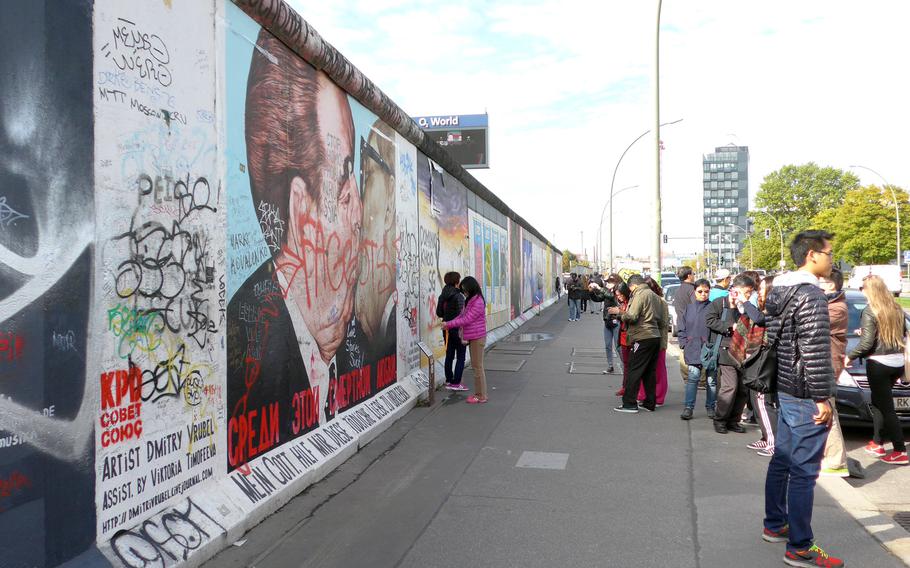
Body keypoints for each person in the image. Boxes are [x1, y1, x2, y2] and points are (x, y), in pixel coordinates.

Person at [762, 230, 844, 568]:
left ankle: (774, 524)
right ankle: (799, 547)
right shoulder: (810, 294)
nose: (831, 259)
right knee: (804, 470)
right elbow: (813, 349)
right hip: (806, 392)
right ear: (812, 255)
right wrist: (822, 396)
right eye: (828, 252)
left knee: (783, 458)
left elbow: (776, 340)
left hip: (785, 386)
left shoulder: (779, 289)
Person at [846, 274, 908, 465]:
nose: (861, 291)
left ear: (869, 290)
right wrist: (865, 332)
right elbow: (902, 334)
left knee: (887, 408)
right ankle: (877, 442)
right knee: (879, 403)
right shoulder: (895, 308)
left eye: (862, 288)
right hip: (897, 363)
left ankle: (899, 450)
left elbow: (866, 344)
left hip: (879, 364)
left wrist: (849, 357)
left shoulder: (870, 310)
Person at [726, 274, 778, 456]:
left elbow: (759, 319)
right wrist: (737, 304)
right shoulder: (758, 304)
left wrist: (745, 302)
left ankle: (773, 443)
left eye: (760, 289)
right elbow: (746, 319)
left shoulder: (773, 307)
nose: (757, 292)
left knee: (764, 402)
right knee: (756, 401)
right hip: (757, 358)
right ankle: (766, 438)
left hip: (766, 359)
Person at [609, 274, 664, 413]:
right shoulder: (654, 296)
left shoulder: (640, 294)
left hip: (642, 336)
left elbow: (632, 316)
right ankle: (649, 403)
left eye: (630, 289)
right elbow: (661, 319)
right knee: (648, 372)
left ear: (633, 285)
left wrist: (619, 312)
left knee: (634, 369)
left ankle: (629, 403)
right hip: (654, 336)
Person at [818, 269, 853, 476]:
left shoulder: (836, 307)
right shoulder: (830, 303)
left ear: (832, 285)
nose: (818, 285)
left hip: (828, 363)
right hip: (824, 362)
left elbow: (816, 323)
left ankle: (836, 461)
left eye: (822, 282)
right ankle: (828, 457)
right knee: (823, 409)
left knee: (828, 409)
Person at [705, 276, 749, 434]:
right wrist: (730, 326)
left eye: (748, 293)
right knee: (730, 386)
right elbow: (709, 321)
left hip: (742, 351)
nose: (744, 296)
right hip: (725, 350)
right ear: (732, 290)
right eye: (742, 292)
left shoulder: (744, 306)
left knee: (743, 389)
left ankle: (734, 420)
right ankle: (720, 419)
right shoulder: (718, 303)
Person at [442, 276, 488, 404]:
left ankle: (481, 396)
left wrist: (449, 324)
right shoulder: (472, 300)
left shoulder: (477, 301)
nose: (464, 292)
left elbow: (467, 319)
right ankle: (480, 394)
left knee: (477, 367)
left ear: (471, 288)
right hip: (474, 336)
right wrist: (449, 323)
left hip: (477, 337)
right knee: (476, 366)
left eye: (465, 290)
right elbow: (462, 316)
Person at [678, 279, 717, 420]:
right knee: (692, 379)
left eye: (706, 291)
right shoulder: (689, 308)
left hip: (710, 349)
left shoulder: (713, 307)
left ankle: (711, 407)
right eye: (700, 291)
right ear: (694, 292)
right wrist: (683, 342)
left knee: (711, 381)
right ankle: (688, 407)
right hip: (692, 348)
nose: (703, 294)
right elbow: (681, 326)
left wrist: (714, 346)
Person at [638, 277, 669, 407]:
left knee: (658, 370)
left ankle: (658, 397)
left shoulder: (661, 302)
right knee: (645, 369)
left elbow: (664, 323)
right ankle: (644, 395)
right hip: (647, 338)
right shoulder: (643, 300)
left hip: (658, 340)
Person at [436, 271, 467, 392]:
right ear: (456, 282)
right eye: (459, 280)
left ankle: (449, 379)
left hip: (446, 329)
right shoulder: (459, 296)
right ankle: (456, 382)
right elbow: (462, 314)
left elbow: (439, 313)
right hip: (458, 328)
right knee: (461, 356)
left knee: (449, 355)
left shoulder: (442, 295)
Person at [589, 275, 621, 373]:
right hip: (607, 321)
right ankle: (610, 366)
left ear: (616, 283)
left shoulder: (618, 292)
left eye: (609, 282)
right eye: (606, 282)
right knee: (608, 345)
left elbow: (611, 296)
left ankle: (626, 365)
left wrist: (599, 287)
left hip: (617, 322)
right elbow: (598, 298)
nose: (607, 284)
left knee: (618, 347)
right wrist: (591, 292)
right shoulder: (607, 291)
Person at [613, 282, 633, 397]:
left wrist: (619, 313)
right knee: (626, 364)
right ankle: (625, 387)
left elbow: (632, 317)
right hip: (624, 337)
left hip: (631, 337)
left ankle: (629, 388)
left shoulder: (631, 302)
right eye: (617, 295)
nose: (618, 297)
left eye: (620, 295)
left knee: (630, 365)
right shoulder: (623, 303)